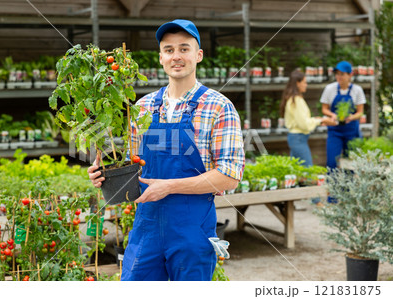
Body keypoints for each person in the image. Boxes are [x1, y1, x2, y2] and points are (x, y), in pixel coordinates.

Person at [88, 19, 245, 281]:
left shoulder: (219, 106)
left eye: (184, 49)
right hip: (146, 227)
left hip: (191, 229)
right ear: (161, 57)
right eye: (169, 50)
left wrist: (169, 186)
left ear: (199, 55)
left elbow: (229, 175)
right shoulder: (144, 107)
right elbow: (133, 163)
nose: (177, 56)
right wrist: (105, 174)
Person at [280, 70, 335, 167]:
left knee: (297, 172)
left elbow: (302, 120)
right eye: (304, 82)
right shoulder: (296, 100)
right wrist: (321, 120)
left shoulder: (294, 99)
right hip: (298, 138)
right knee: (308, 171)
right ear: (298, 83)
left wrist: (316, 119)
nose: (306, 85)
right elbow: (304, 125)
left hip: (296, 138)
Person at [320, 61, 366, 170]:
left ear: (350, 75)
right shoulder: (329, 89)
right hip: (334, 131)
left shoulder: (357, 90)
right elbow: (324, 109)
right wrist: (333, 115)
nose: (339, 77)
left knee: (349, 163)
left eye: (342, 74)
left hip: (351, 131)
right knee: (332, 162)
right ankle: (333, 186)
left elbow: (360, 112)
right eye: (337, 74)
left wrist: (351, 117)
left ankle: (348, 186)